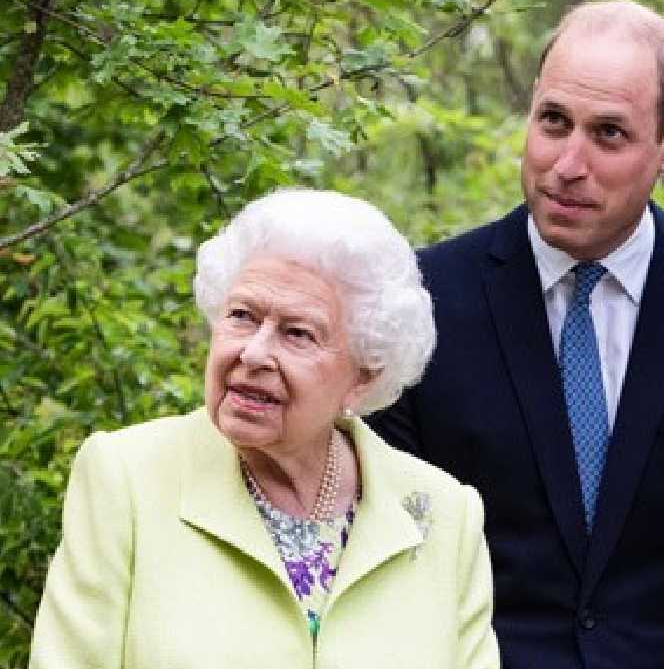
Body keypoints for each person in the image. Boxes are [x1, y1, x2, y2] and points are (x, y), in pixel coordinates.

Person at [369, 0, 664, 669]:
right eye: (553, 122)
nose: (568, 164)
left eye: (608, 135)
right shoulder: (419, 299)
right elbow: (389, 552)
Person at [31, 189, 498, 669]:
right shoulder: (126, 478)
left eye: (297, 333)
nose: (253, 353)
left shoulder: (446, 516)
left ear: (364, 375)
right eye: (241, 316)